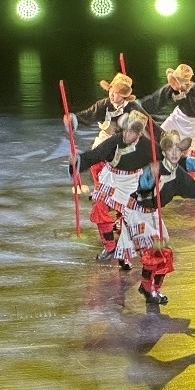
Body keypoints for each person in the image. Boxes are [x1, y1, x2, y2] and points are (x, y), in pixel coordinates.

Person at [70, 109, 159, 271]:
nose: (128, 134)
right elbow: (95, 155)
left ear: (139, 134)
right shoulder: (114, 141)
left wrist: (185, 163)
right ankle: (110, 246)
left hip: (132, 182)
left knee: (131, 219)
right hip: (112, 179)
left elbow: (165, 158)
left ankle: (125, 253)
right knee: (99, 207)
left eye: (133, 132)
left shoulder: (146, 146)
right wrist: (78, 162)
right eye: (127, 130)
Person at [139, 64, 195, 167]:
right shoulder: (172, 87)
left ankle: (188, 169)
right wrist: (139, 105)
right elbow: (157, 99)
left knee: (189, 150)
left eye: (176, 80)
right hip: (178, 117)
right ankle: (161, 164)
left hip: (194, 123)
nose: (173, 83)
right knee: (161, 137)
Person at [66, 72, 144, 185]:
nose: (112, 94)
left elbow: (146, 126)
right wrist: (73, 120)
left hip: (125, 142)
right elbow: (89, 114)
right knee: (97, 157)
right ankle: (99, 186)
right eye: (111, 90)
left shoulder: (133, 107)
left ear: (123, 96)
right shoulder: (104, 104)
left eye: (116, 93)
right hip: (106, 139)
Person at [133, 130, 195, 209]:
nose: (174, 153)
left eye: (178, 149)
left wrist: (194, 163)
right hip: (138, 205)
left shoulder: (178, 174)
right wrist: (150, 177)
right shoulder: (150, 162)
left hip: (156, 207)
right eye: (170, 149)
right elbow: (139, 185)